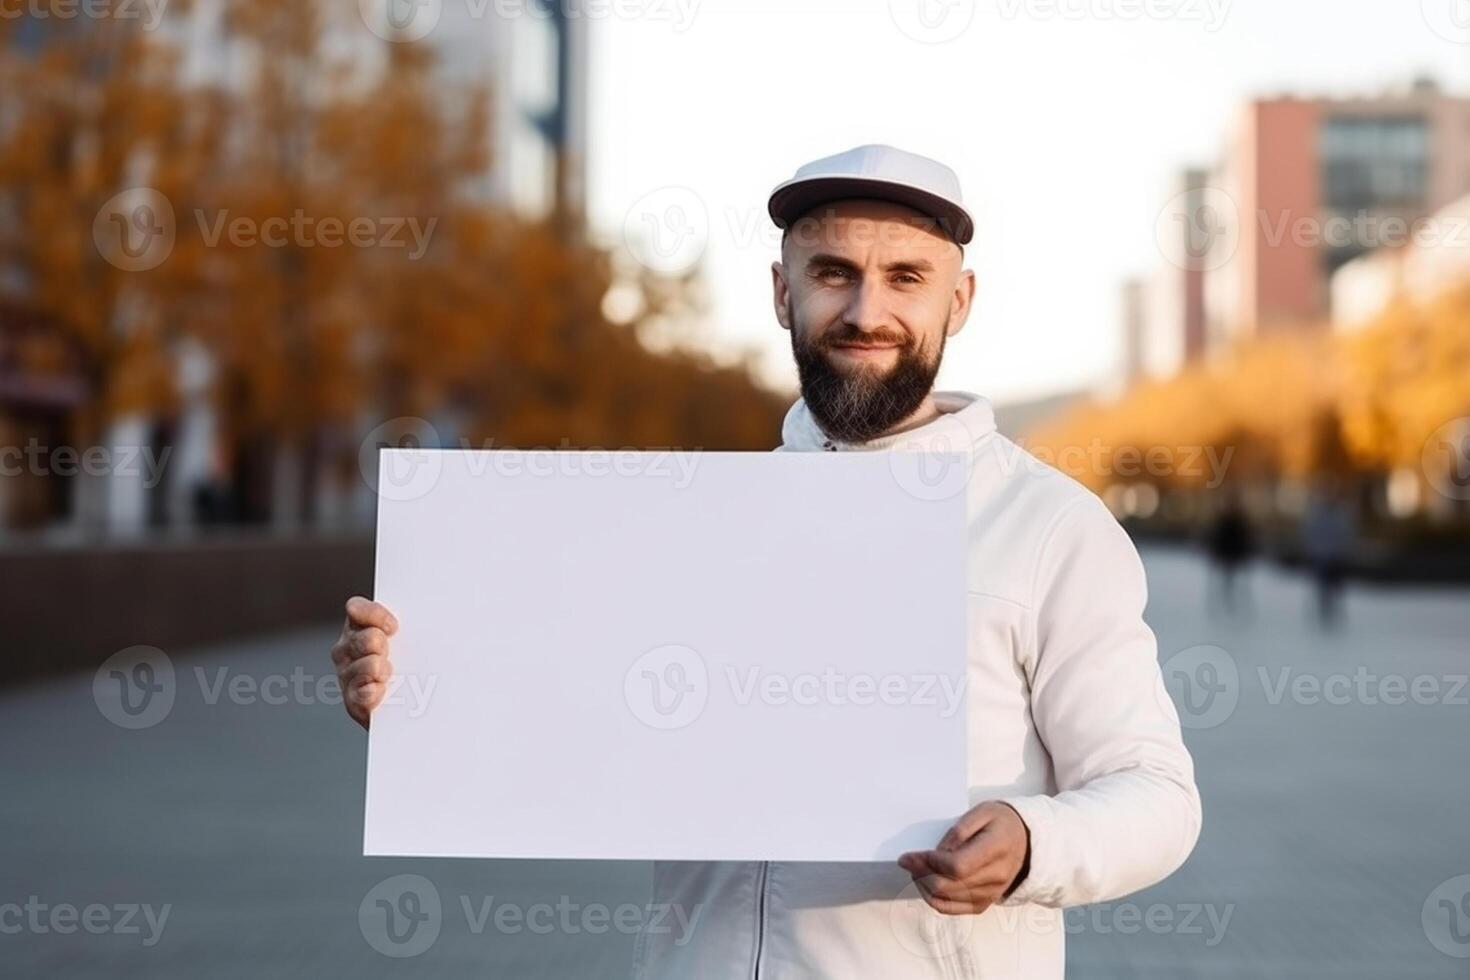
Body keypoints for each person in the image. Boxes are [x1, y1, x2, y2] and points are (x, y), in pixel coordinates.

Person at [331, 145, 1202, 979]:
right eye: (832, 273)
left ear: (960, 301)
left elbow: (1156, 795)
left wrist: (1031, 843)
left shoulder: (1047, 526)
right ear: (783, 294)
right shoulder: (701, 524)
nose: (866, 312)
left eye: (906, 277)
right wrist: (428, 701)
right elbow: (586, 714)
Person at [1205, 488, 1255, 617]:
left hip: (1233, 555)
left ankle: (1234, 604)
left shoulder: (1235, 519)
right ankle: (1229, 604)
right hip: (1229, 555)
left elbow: (1245, 537)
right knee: (1229, 582)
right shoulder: (1230, 519)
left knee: (1233, 582)